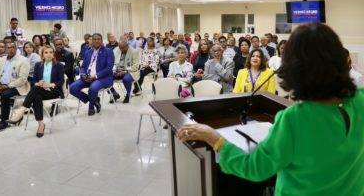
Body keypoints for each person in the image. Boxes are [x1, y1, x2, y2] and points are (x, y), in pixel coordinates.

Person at [177, 22, 364, 196]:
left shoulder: (295, 119)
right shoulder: (360, 99)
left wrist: (214, 137)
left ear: (295, 68)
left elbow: (254, 168)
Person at [8, 45, 65, 138]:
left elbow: (61, 81)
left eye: (51, 52)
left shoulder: (59, 65)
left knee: (35, 90)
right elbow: (34, 80)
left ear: (53, 54)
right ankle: (41, 124)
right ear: (42, 55)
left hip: (53, 91)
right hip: (40, 90)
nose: (49, 54)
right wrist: (38, 83)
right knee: (36, 96)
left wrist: (50, 84)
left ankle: (21, 111)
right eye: (46, 52)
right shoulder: (38, 65)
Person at [69, 33, 114, 116]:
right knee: (72, 88)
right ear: (91, 41)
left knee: (92, 89)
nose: (96, 41)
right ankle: (94, 101)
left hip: (103, 78)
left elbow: (108, 68)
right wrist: (83, 74)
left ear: (101, 41)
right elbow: (83, 67)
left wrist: (96, 76)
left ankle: (91, 107)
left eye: (98, 39)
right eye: (94, 39)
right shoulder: (88, 52)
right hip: (87, 77)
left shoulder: (108, 51)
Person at [111, 38, 140, 103]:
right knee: (106, 78)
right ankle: (114, 93)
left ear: (127, 45)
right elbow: (115, 63)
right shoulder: (118, 50)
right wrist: (114, 69)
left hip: (130, 72)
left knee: (126, 79)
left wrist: (125, 71)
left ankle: (128, 95)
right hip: (118, 70)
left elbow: (136, 66)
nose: (121, 49)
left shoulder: (134, 51)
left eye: (123, 48)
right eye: (120, 48)